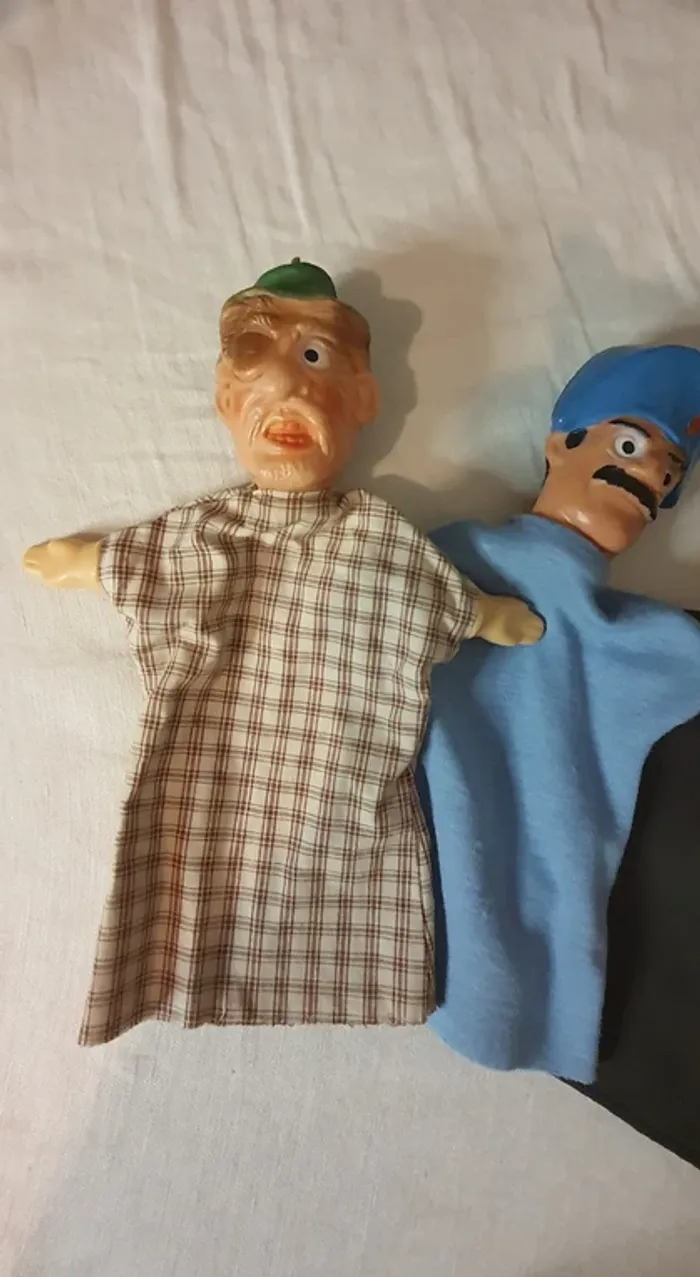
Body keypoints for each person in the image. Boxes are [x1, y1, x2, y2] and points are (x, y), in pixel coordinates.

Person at [23, 259, 542, 1045]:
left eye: (314, 360)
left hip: (341, 810)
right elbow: (126, 560)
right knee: (195, 870)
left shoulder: (378, 538)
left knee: (347, 867)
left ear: (362, 400)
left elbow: (447, 602)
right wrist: (90, 560)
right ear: (226, 403)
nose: (287, 390)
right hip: (207, 802)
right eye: (258, 372)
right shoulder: (203, 534)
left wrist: (487, 613)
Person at [416, 344, 700, 1083]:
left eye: (670, 472)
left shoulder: (650, 639)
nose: (649, 475)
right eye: (631, 445)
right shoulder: (452, 556)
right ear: (558, 444)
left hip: (559, 947)